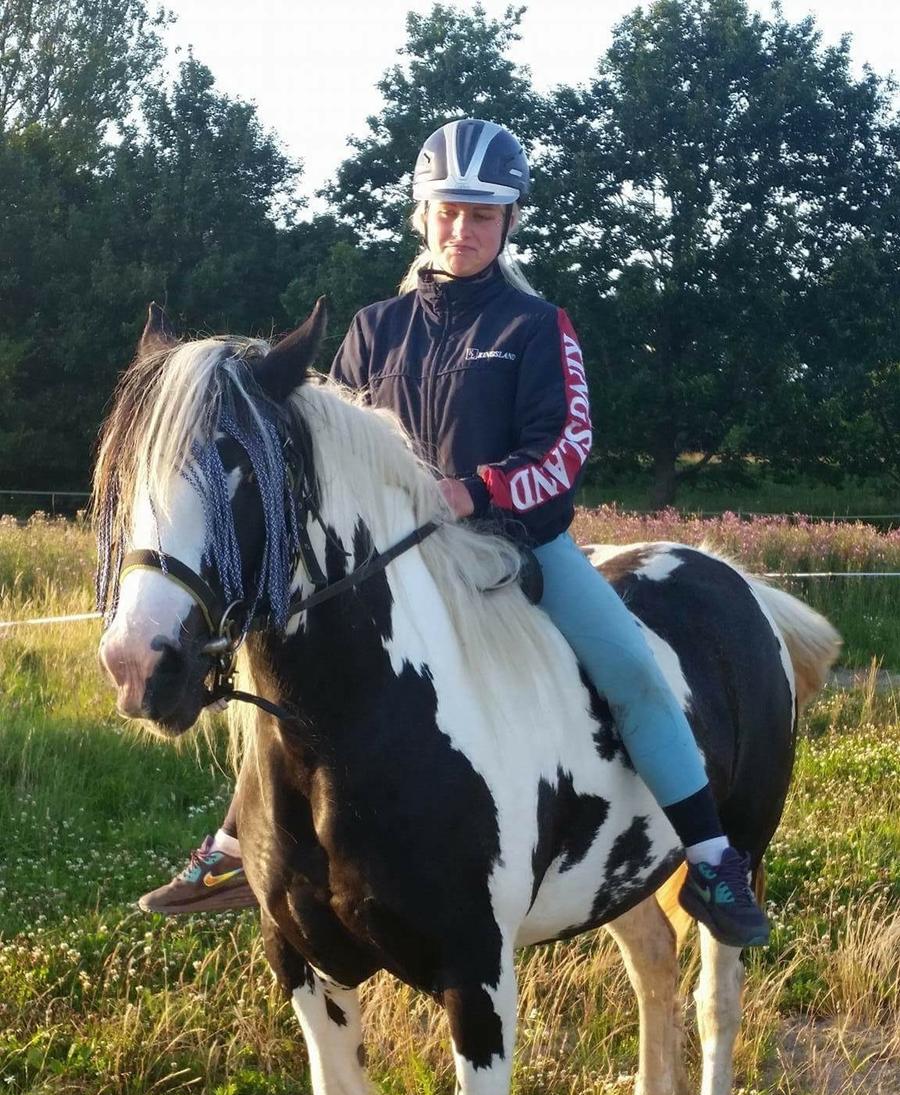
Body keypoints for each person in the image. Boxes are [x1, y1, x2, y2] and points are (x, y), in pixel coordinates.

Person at [140, 118, 768, 949]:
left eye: (481, 214)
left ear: (509, 221)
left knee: (634, 671)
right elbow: (330, 450)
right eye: (446, 211)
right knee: (291, 671)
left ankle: (713, 855)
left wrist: (476, 492)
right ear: (421, 213)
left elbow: (566, 448)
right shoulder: (373, 330)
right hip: (397, 562)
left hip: (519, 548)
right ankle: (236, 843)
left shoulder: (538, 327)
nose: (461, 229)